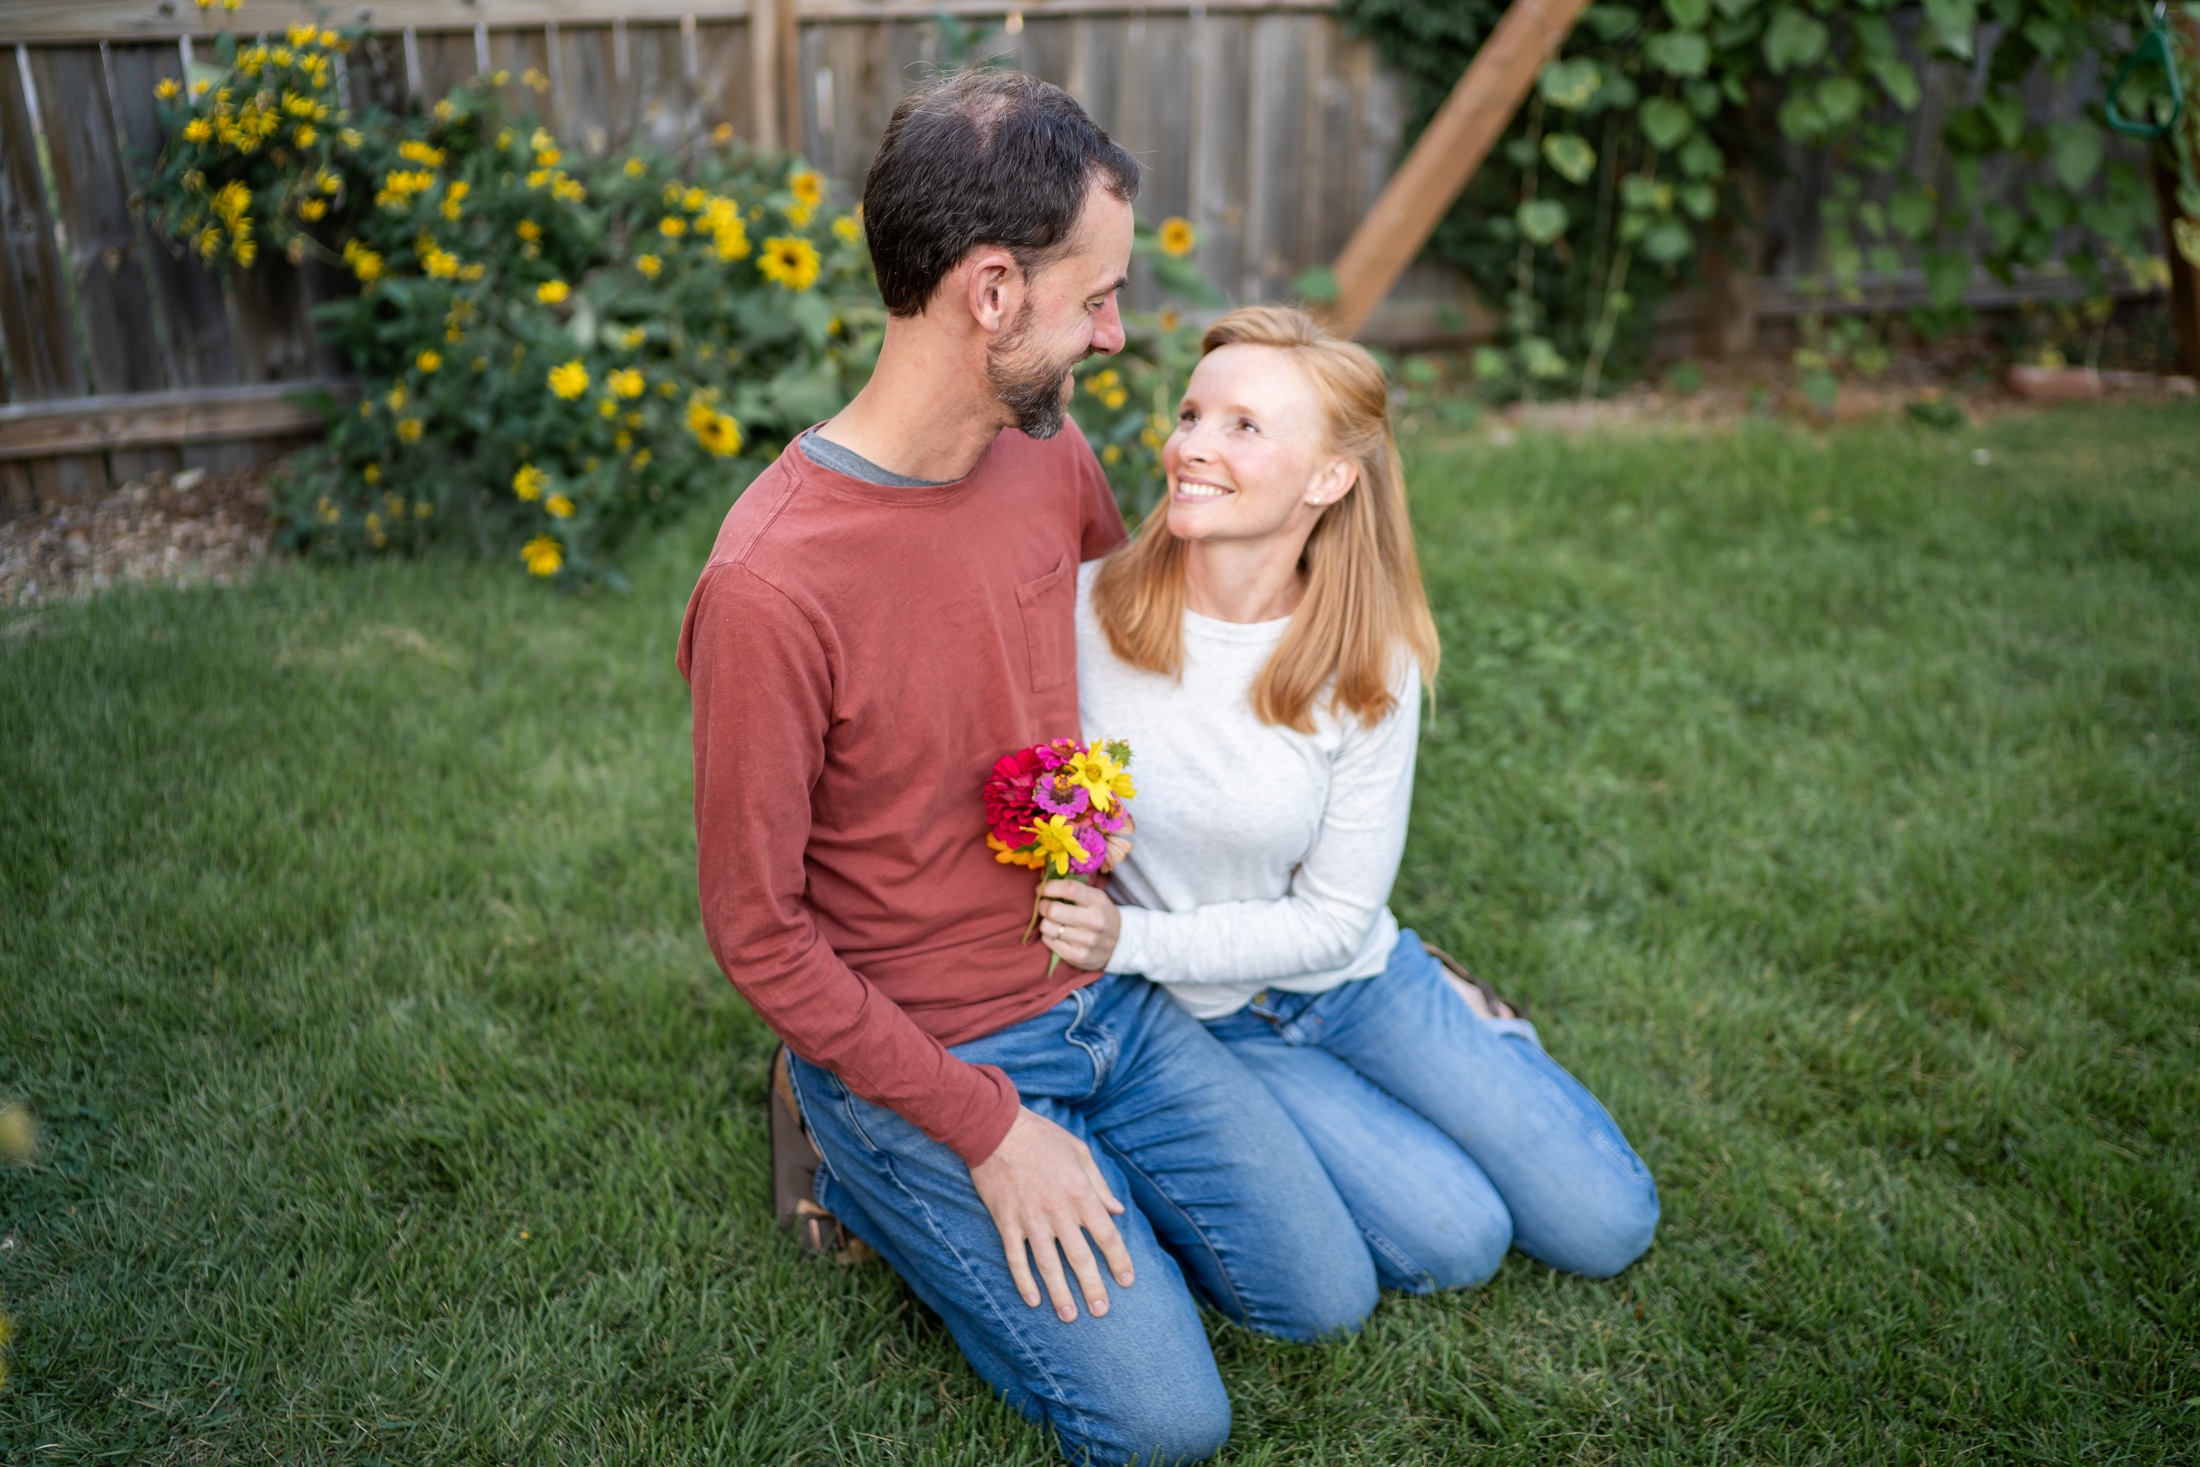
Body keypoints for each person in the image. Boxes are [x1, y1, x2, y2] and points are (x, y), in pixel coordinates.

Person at [677, 75, 1374, 1467]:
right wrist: (987, 1127)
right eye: (1096, 296)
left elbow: (1149, 669)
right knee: (1172, 1422)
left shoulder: (1043, 463)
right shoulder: (769, 585)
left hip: (1104, 987)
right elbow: (757, 932)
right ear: (990, 290)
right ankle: (846, 1144)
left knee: (1322, 1297)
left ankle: (1074, 1178)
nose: (1117, 335)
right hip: (931, 1047)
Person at [1038, 306, 1661, 1294]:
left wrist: (1129, 942)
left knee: (1609, 1222)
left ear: (1330, 478)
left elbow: (1333, 921)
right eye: (1194, 415)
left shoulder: (1369, 656)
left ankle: (1470, 1019)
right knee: (1455, 1241)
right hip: (1209, 1018)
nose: (1192, 446)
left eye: (1245, 427)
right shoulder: (1080, 616)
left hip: (1359, 977)